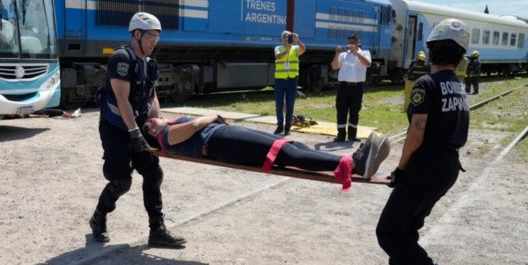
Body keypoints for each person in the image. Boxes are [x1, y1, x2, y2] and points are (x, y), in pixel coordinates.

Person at [366, 18, 469, 265]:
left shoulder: (426, 84)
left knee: (388, 232)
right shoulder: (458, 86)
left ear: (431, 50)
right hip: (447, 167)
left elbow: (416, 133)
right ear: (461, 56)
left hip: (426, 166)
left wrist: (400, 169)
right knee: (406, 228)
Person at [88, 12, 186, 248]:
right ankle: (98, 218)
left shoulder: (149, 63)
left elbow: (152, 97)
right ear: (137, 34)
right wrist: (134, 133)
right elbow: (122, 100)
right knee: (121, 181)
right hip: (116, 126)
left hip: (137, 123)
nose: (155, 41)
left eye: (157, 37)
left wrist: (159, 123)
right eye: (151, 36)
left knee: (153, 174)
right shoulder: (121, 59)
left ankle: (157, 230)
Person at [144, 114, 390, 189]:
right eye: (152, 123)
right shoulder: (167, 137)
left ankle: (353, 160)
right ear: (153, 133)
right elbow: (198, 125)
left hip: (224, 138)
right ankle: (353, 164)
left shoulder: (168, 129)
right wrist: (212, 117)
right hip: (219, 142)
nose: (157, 118)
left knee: (290, 146)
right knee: (283, 154)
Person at [331, 33, 371, 142]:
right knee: (341, 111)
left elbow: (367, 63)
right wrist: (336, 54)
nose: (350, 45)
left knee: (354, 111)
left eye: (352, 43)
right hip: (343, 86)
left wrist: (356, 53)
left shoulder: (365, 53)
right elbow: (334, 67)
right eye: (349, 43)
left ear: (358, 42)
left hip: (357, 87)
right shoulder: (344, 55)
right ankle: (341, 135)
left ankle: (352, 135)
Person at [273, 30, 306, 135]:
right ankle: (279, 126)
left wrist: (298, 40)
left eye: (289, 37)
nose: (287, 39)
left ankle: (287, 128)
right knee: (279, 104)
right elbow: (278, 56)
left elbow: (303, 49)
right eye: (285, 37)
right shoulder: (278, 48)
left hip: (292, 80)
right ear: (282, 39)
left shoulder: (295, 48)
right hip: (280, 80)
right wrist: (286, 50)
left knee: (290, 105)